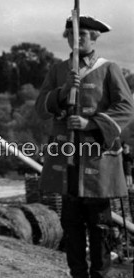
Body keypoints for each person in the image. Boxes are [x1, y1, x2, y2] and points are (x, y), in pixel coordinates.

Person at [35, 15, 134, 278]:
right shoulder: (58, 70)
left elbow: (126, 108)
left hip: (97, 158)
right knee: (71, 224)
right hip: (67, 157)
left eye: (82, 34)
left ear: (94, 38)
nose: (75, 39)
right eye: (71, 33)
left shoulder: (109, 68)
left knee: (100, 225)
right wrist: (63, 91)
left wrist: (90, 122)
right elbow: (41, 107)